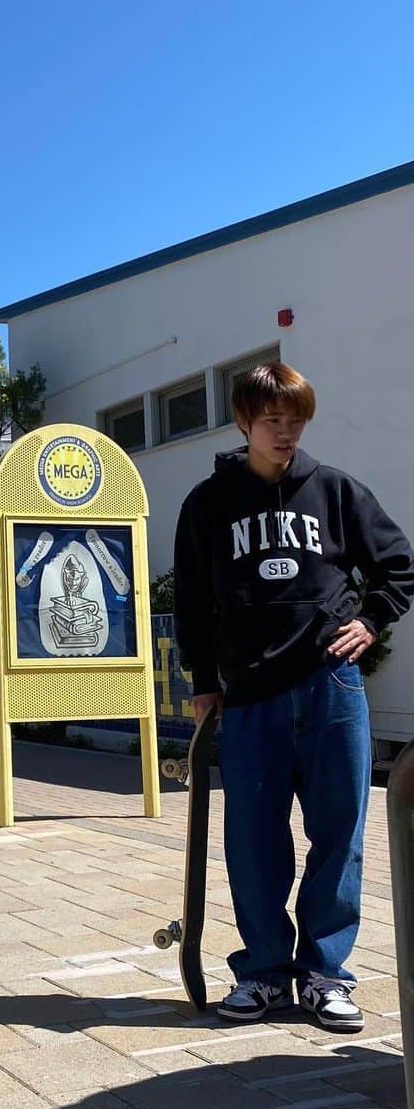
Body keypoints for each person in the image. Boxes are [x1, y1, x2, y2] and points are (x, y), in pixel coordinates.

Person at [174, 362, 414, 1031]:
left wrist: (370, 619)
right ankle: (262, 974)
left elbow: (399, 564)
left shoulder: (336, 492)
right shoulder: (208, 503)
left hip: (331, 689)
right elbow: (191, 600)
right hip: (249, 695)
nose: (286, 432)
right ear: (244, 422)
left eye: (296, 419)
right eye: (272, 420)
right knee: (254, 843)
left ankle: (325, 975)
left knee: (340, 833)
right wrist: (203, 682)